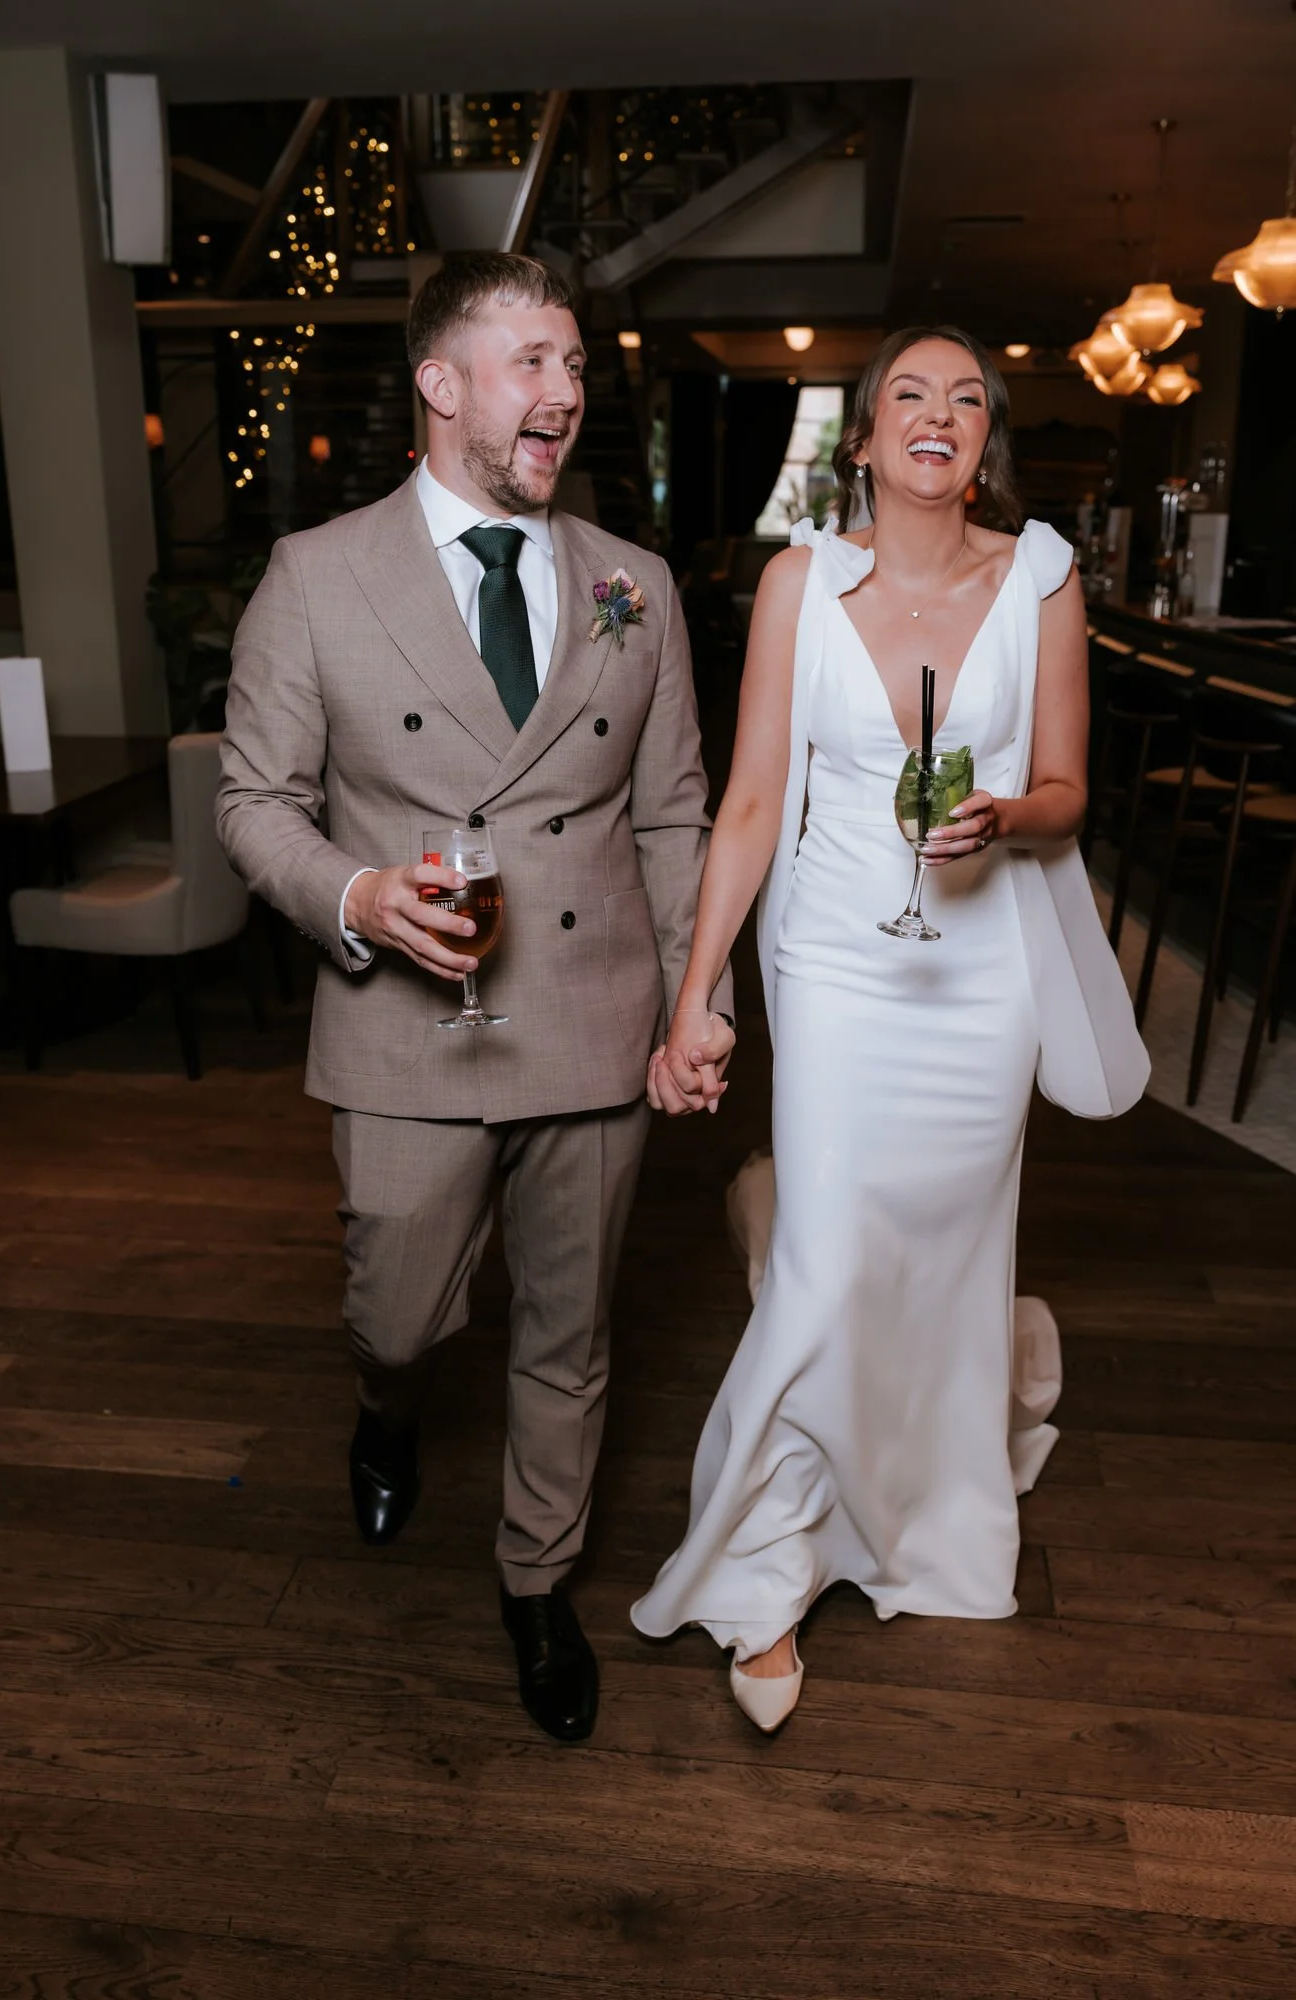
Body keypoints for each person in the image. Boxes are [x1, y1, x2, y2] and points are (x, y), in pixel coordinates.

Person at [217, 252, 731, 1744]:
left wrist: (697, 1003)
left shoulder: (633, 586)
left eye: (574, 365)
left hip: (589, 1013)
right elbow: (256, 802)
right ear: (441, 385)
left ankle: (535, 1582)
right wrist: (356, 900)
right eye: (528, 362)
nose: (562, 394)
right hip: (400, 1026)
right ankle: (386, 1413)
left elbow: (672, 814)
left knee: (567, 1338)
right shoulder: (318, 574)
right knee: (396, 1314)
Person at [632, 326, 1148, 1731]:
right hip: (841, 968)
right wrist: (699, 992)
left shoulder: (1035, 575)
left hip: (976, 968)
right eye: (907, 397)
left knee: (944, 1247)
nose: (939, 415)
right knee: (829, 1255)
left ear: (984, 443)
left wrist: (1004, 816)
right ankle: (765, 1563)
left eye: (966, 399)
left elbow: (1063, 788)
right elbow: (749, 804)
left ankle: (923, 1515)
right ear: (860, 439)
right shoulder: (800, 584)